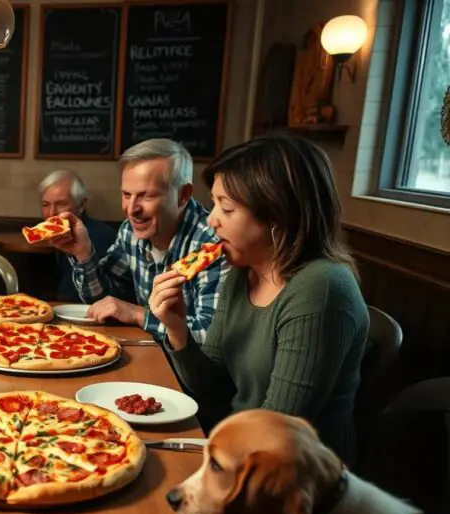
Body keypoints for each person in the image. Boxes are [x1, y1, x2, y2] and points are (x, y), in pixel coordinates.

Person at [149, 133, 367, 463]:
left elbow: (274, 429)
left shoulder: (321, 289)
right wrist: (176, 328)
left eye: (226, 207)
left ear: (278, 215)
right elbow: (214, 388)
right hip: (234, 445)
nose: (211, 220)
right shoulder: (243, 271)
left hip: (295, 477)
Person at [49, 139, 226, 342]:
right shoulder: (129, 231)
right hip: (151, 353)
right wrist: (84, 254)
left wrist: (138, 315)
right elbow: (102, 304)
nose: (132, 209)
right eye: (126, 195)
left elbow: (210, 335)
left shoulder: (212, 244)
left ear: (183, 195)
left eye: (147, 196)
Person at [37, 170, 117, 303]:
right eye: (45, 205)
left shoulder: (99, 235)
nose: (51, 213)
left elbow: (69, 297)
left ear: (81, 205)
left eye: (61, 204)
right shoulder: (54, 235)